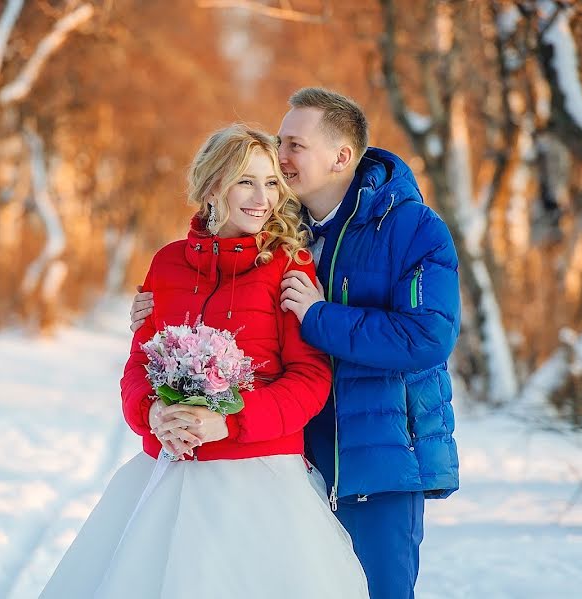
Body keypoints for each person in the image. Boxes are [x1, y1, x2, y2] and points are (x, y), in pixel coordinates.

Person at [131, 88, 461, 599]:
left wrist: (319, 316)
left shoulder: (413, 228)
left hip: (376, 457)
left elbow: (427, 336)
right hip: (289, 458)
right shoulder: (285, 232)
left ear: (340, 156)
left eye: (293, 145)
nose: (279, 159)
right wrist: (156, 318)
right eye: (278, 145)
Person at [40, 124, 370, 599]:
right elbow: (139, 364)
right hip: (168, 477)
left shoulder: (287, 266)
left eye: (272, 182)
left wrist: (229, 421)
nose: (262, 197)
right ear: (214, 185)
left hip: (259, 481)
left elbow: (311, 378)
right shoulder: (168, 264)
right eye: (246, 181)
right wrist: (152, 414)